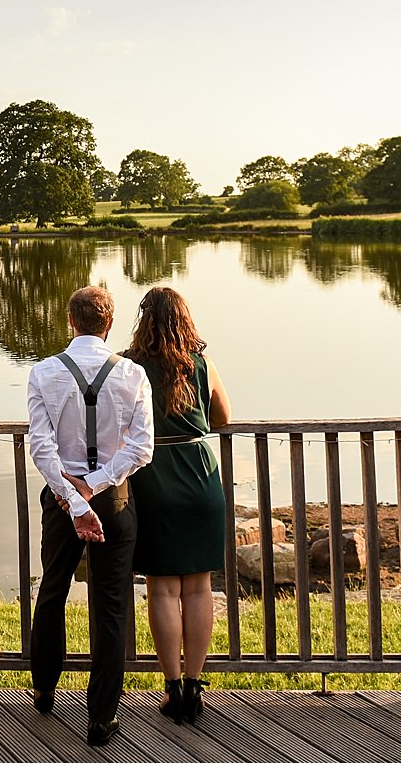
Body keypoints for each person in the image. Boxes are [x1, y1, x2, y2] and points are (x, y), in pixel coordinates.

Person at [26, 286, 154, 747]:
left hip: (61, 499)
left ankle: (43, 690)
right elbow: (142, 448)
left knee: (53, 589)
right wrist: (95, 487)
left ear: (69, 322)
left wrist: (73, 495)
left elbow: (40, 446)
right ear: (110, 324)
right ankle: (102, 718)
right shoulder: (133, 373)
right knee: (111, 603)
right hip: (113, 498)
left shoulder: (44, 372)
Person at [124, 287, 232, 724]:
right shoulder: (200, 364)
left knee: (163, 587)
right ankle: (194, 685)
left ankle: (171, 688)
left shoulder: (129, 367)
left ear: (143, 321)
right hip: (200, 473)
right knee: (199, 586)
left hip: (154, 475)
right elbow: (223, 417)